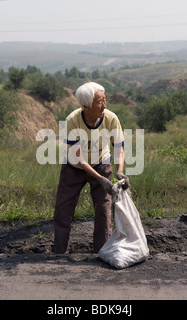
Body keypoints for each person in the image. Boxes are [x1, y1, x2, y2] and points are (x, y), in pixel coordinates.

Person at [53, 82, 130, 254]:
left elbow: (118, 148)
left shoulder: (111, 118)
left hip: (101, 164)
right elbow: (78, 158)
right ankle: (60, 253)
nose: (105, 105)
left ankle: (102, 252)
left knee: (103, 210)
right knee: (62, 211)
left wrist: (119, 171)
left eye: (105, 100)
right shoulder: (72, 121)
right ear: (86, 105)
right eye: (100, 101)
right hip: (74, 168)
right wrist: (99, 178)